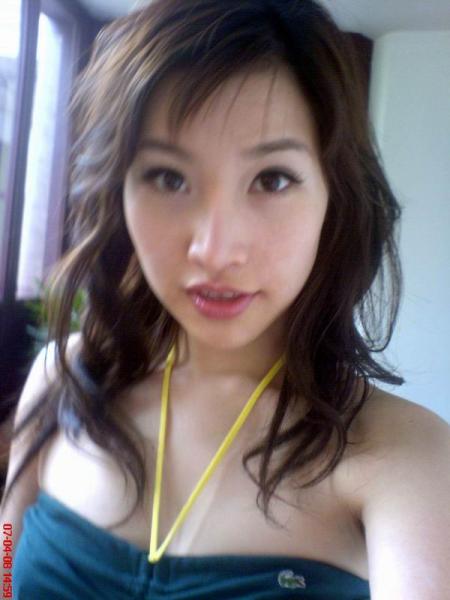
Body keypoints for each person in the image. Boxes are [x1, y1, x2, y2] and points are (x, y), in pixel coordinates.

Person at [1, 0, 449, 598]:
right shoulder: (65, 376)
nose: (214, 251)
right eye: (168, 177)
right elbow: (5, 557)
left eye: (272, 179)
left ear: (334, 201)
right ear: (119, 192)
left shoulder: (403, 453)